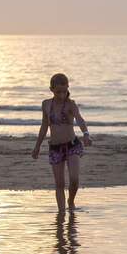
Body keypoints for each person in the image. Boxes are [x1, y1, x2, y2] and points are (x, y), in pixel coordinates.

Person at [32, 73, 91, 212]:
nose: (61, 95)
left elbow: (79, 119)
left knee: (74, 179)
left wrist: (86, 134)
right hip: (55, 148)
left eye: (64, 91)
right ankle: (61, 213)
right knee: (59, 184)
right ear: (51, 89)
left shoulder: (71, 104)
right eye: (58, 92)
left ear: (68, 88)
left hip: (72, 145)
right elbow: (44, 126)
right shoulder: (46, 104)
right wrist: (37, 147)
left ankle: (71, 200)